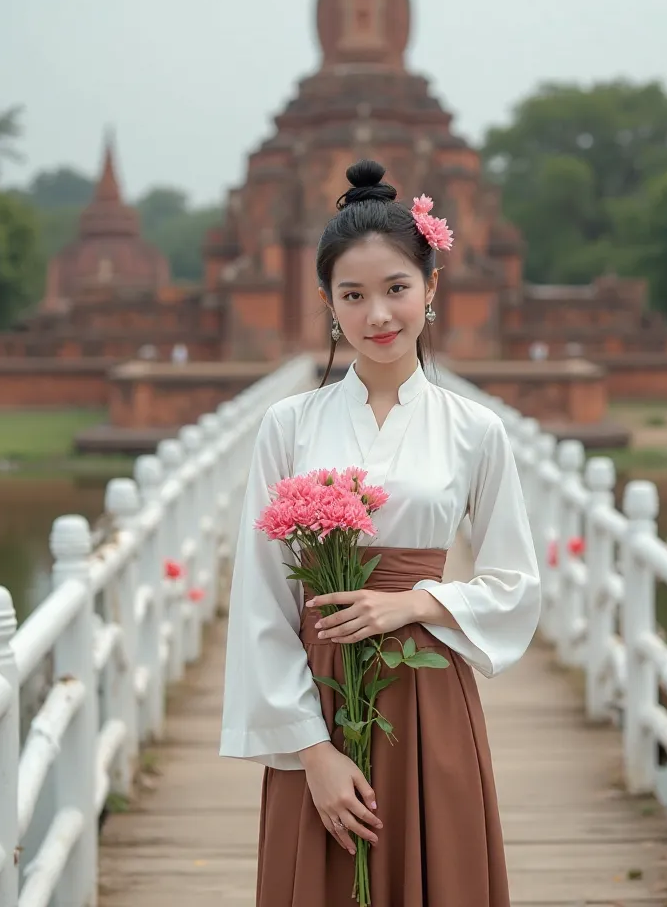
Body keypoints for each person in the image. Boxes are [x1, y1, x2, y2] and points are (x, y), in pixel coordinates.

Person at [220, 159, 541, 906]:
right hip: (319, 697)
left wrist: (417, 603)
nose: (378, 315)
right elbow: (263, 602)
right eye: (353, 295)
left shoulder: (474, 430)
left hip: (428, 695)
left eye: (397, 288)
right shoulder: (288, 425)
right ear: (329, 303)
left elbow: (516, 581)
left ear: (431, 289)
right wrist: (313, 754)